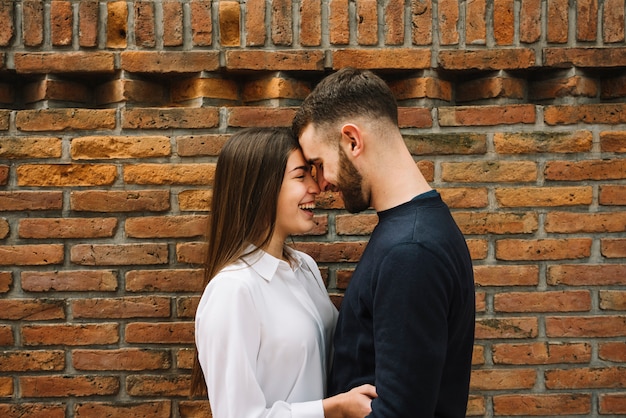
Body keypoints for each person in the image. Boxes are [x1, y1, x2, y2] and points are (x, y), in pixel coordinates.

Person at [292, 68, 475, 417]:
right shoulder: (414, 230)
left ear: (352, 141)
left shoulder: (411, 250)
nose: (322, 183)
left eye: (318, 164)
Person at [189, 127, 377, 418]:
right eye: (301, 176)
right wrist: (335, 408)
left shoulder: (305, 268)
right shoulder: (233, 290)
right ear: (261, 187)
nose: (315, 187)